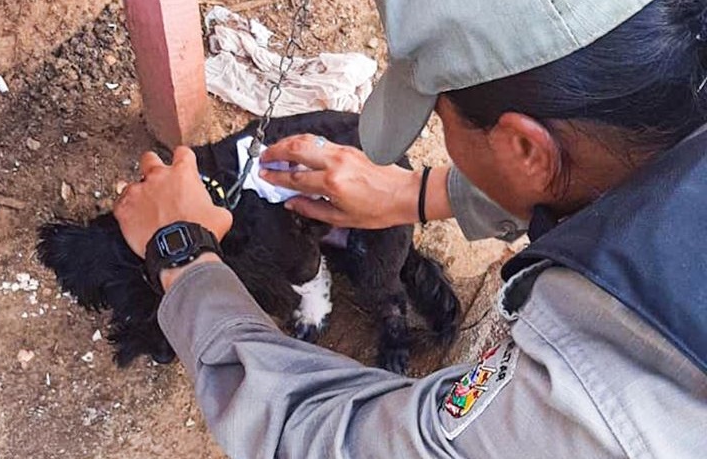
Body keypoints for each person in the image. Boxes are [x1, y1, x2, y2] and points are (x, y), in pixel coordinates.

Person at [113, 0, 707, 457]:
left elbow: (330, 439)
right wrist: (419, 193)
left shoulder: (591, 398)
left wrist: (183, 254)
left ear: (526, 148)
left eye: (437, 115)